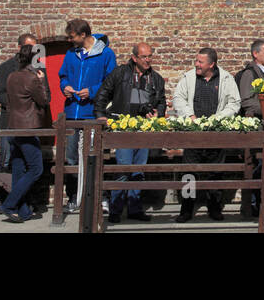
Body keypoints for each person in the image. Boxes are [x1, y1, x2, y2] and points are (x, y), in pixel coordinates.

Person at [94, 42, 165, 223]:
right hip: (123, 129)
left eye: (150, 56)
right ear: (134, 58)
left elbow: (161, 102)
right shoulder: (120, 73)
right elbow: (103, 94)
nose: (148, 59)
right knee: (123, 169)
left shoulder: (156, 78)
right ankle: (116, 210)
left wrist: (159, 114)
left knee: (139, 170)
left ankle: (134, 209)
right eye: (144, 56)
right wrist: (101, 116)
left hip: (143, 131)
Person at [172, 47, 240, 221]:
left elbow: (234, 103)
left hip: (215, 134)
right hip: (193, 134)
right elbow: (178, 98)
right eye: (196, 61)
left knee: (216, 172)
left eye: (200, 62)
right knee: (189, 172)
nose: (196, 64)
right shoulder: (189, 77)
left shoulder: (226, 79)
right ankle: (186, 209)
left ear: (212, 64)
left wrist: (217, 119)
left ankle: (214, 207)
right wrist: (190, 116)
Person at [58, 19, 116, 214]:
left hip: (93, 114)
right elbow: (63, 75)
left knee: (96, 156)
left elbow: (111, 82)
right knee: (71, 158)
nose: (69, 40)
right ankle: (74, 197)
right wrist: (64, 87)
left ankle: (102, 198)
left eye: (72, 36)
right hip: (72, 114)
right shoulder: (71, 54)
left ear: (83, 35)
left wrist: (91, 91)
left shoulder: (106, 54)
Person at [0, 43, 51, 223]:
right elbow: (43, 101)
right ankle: (9, 204)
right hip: (28, 128)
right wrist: (42, 80)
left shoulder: (12, 76)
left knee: (19, 169)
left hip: (13, 127)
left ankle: (23, 211)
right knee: (36, 169)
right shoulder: (32, 78)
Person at [0, 32, 38, 213]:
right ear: (20, 48)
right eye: (29, 48)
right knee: (6, 160)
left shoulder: (37, 69)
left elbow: (45, 95)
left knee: (26, 163)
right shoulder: (7, 67)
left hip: (29, 122)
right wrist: (18, 105)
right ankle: (1, 197)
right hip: (10, 121)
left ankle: (22, 201)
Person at [235, 39, 264, 220]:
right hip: (256, 125)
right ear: (255, 54)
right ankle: (252, 206)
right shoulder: (249, 74)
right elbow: (246, 100)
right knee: (256, 165)